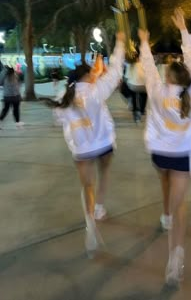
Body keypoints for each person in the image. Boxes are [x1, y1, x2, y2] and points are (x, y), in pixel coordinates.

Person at [138, 8, 191, 286]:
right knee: (182, 209)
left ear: (168, 77)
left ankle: (165, 214)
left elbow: (149, 68)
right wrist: (183, 31)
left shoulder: (157, 91)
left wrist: (143, 42)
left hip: (159, 152)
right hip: (181, 154)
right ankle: (174, 259)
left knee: (164, 180)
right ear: (186, 79)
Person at [46, 33, 125, 256]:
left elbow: (58, 119)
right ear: (88, 76)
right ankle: (100, 208)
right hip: (104, 144)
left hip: (82, 149)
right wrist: (119, 43)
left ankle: (90, 225)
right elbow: (117, 69)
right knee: (104, 174)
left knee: (86, 186)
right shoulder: (96, 90)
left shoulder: (64, 95)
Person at [125, 51, 147, 123]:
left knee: (133, 93)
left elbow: (126, 77)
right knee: (144, 94)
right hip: (143, 86)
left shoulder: (129, 65)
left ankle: (134, 109)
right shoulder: (144, 64)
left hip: (132, 86)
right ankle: (142, 109)